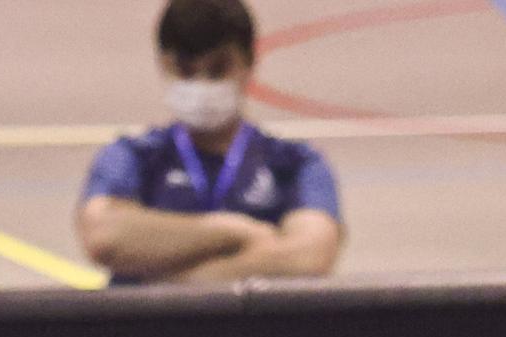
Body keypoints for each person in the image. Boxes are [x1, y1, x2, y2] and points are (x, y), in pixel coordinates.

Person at [78, 0, 343, 287]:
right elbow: (105, 235)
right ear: (164, 64)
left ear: (249, 62)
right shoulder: (134, 154)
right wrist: (234, 232)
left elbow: (309, 256)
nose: (202, 83)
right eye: (186, 70)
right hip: (149, 332)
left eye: (218, 69)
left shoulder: (295, 161)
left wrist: (170, 280)